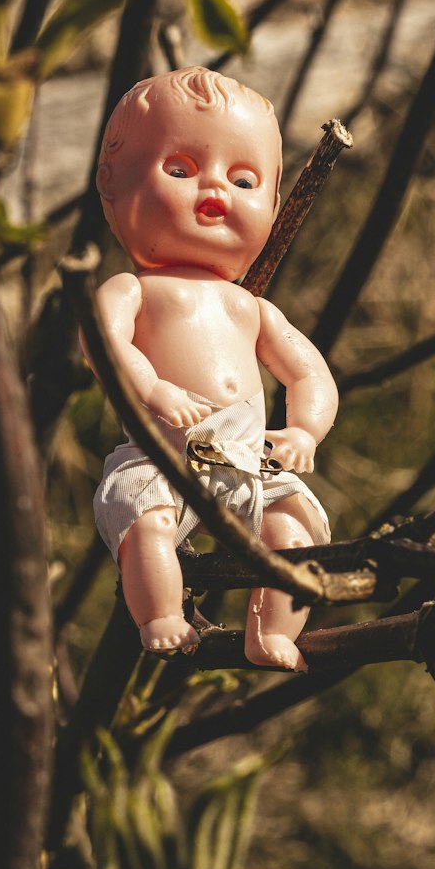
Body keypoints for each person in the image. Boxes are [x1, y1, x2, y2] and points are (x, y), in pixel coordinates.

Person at [90, 66, 338, 671]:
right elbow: (103, 343)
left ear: (274, 204)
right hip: (166, 455)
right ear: (113, 185)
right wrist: (151, 388)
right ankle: (163, 616)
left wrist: (305, 430)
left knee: (295, 536)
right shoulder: (133, 288)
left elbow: (310, 374)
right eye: (180, 170)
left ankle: (272, 632)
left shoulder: (249, 307)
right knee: (143, 524)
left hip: (250, 458)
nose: (215, 191)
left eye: (244, 179)